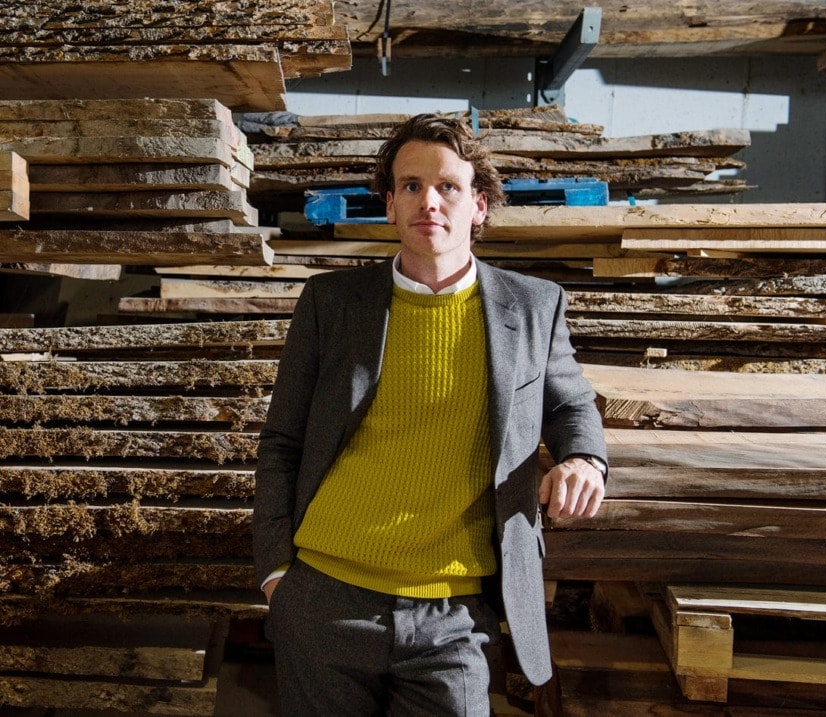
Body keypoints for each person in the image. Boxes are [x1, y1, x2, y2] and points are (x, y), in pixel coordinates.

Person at [253, 113, 608, 716]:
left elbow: (571, 401)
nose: (429, 202)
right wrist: (275, 574)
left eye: (448, 186)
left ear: (480, 205)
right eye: (411, 186)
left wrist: (584, 458)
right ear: (389, 205)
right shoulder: (332, 303)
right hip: (323, 598)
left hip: (456, 614)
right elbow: (282, 441)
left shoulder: (533, 306)